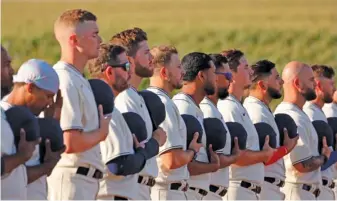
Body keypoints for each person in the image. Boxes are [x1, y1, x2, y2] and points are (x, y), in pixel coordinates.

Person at [47, 9, 111, 200]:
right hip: (71, 182)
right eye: (94, 35)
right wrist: (102, 133)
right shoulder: (65, 79)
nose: (100, 41)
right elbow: (70, 142)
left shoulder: (76, 78)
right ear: (74, 40)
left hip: (84, 182)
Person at [88, 43, 164, 200]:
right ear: (109, 72)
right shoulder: (104, 110)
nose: (130, 71)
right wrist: (151, 146)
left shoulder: (108, 107)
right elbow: (119, 165)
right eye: (126, 66)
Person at [110, 28, 167, 200]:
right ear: (129, 60)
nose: (152, 59)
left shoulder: (135, 95)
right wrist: (156, 141)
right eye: (146, 53)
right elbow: (131, 150)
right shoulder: (125, 97)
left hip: (143, 187)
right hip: (132, 186)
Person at [1, 59, 62, 199]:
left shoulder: (32, 119)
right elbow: (11, 175)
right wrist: (47, 166)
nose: (49, 103)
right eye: (48, 96)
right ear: (30, 88)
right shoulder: (6, 118)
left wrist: (52, 123)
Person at [217, 50, 274, 200]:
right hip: (238, 189)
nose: (250, 71)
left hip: (248, 190)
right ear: (232, 73)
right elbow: (236, 156)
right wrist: (265, 155)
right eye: (246, 67)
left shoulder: (238, 106)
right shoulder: (228, 106)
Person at [147, 45, 202, 200]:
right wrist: (192, 151)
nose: (183, 73)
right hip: (167, 192)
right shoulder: (163, 103)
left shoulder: (151, 99)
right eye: (178, 67)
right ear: (165, 73)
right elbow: (171, 160)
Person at [274, 61, 332, 200]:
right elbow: (301, 165)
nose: (314, 84)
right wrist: (324, 157)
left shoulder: (299, 113)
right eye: (311, 80)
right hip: (298, 193)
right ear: (298, 84)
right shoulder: (290, 115)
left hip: (306, 192)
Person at [243, 60, 299, 200]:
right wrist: (286, 148)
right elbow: (261, 157)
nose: (281, 82)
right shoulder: (256, 112)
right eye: (277, 78)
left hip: (269, 186)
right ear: (262, 85)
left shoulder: (261, 109)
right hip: (265, 187)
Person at [172, 52, 220, 200]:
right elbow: (183, 164)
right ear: (202, 76)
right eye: (213, 73)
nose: (216, 78)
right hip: (187, 192)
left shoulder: (194, 107)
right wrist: (213, 166)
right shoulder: (183, 108)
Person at [199, 54, 242, 200]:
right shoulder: (207, 110)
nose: (231, 79)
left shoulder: (214, 109)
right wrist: (235, 157)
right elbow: (213, 158)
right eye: (228, 75)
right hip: (208, 192)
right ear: (215, 77)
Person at [303, 64, 336, 200]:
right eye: (331, 84)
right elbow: (308, 160)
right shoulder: (309, 113)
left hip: (324, 188)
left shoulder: (319, 112)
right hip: (314, 189)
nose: (333, 88)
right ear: (318, 85)